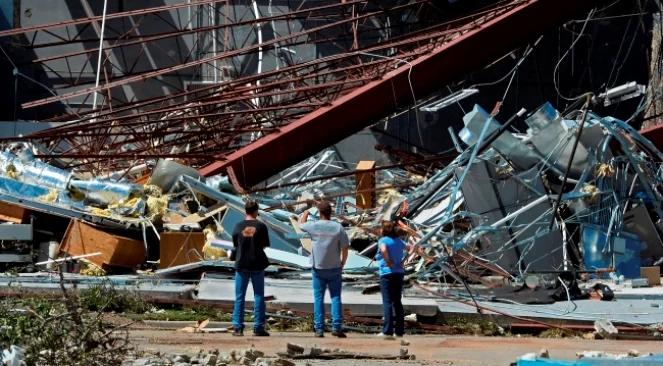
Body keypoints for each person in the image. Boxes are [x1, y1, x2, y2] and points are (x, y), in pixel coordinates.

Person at [299, 200, 350, 338]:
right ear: (330, 212)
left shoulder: (314, 226)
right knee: (335, 298)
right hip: (334, 267)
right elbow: (345, 247)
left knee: (318, 298)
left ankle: (319, 329)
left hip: (318, 267)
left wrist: (306, 212)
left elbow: (301, 225)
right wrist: (342, 262)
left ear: (320, 212)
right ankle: (336, 327)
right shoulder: (338, 227)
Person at [230, 200, 270, 337]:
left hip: (242, 264)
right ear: (256, 211)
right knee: (258, 295)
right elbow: (264, 245)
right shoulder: (261, 226)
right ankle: (258, 327)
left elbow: (236, 245)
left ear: (245, 210)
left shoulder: (237, 226)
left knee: (239, 296)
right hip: (257, 263)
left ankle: (237, 327)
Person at [375, 220, 407, 339]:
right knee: (397, 302)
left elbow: (383, 250)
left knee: (387, 302)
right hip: (399, 273)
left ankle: (387, 330)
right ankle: (399, 330)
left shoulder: (383, 240)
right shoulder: (399, 241)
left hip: (387, 273)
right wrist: (403, 261)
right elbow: (413, 247)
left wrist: (388, 261)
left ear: (384, 230)